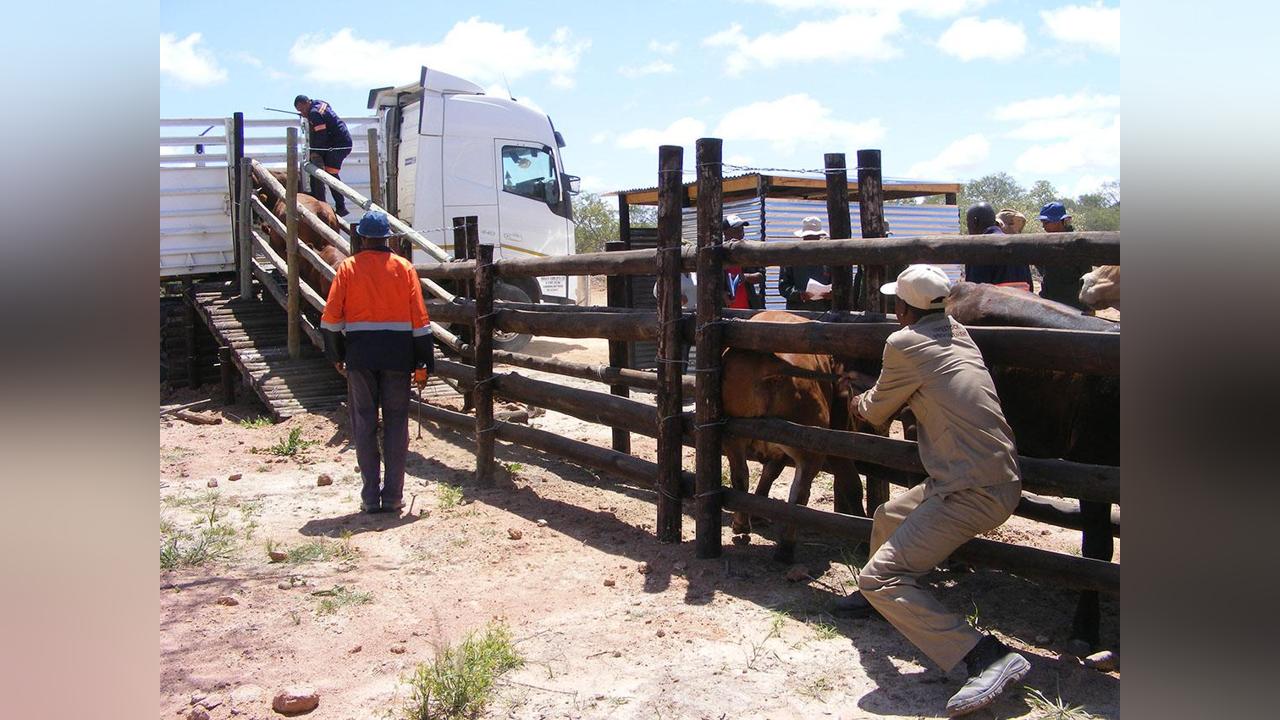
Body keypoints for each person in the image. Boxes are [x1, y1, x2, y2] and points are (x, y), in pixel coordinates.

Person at [832, 264, 1029, 716]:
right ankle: (881, 606)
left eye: (894, 303)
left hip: (969, 489)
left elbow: (876, 412)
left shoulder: (902, 342)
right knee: (888, 515)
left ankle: (984, 656)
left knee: (879, 576)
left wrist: (855, 396)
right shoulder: (958, 332)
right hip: (990, 475)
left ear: (902, 308)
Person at [320, 211, 435, 514]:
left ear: (360, 238)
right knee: (397, 423)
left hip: (360, 358)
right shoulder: (404, 268)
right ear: (388, 239)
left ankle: (371, 496)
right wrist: (424, 362)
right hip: (398, 358)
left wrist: (337, 355)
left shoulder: (347, 269)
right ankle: (394, 496)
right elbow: (421, 322)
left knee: (364, 424)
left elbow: (330, 320)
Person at [294, 94, 353, 217]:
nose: (302, 113)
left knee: (331, 174)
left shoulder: (314, 114)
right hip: (340, 142)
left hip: (338, 145)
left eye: (302, 109)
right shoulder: (319, 104)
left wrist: (316, 152)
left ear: (306, 103)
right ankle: (338, 205)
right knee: (329, 172)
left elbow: (321, 135)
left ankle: (341, 207)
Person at [1035, 202, 1092, 311]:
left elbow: (1085, 276)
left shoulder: (1078, 243)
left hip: (1074, 306)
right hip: (1050, 304)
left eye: (1046, 222)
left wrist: (1087, 306)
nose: (1043, 226)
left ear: (1060, 221)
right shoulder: (1045, 243)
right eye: (1043, 222)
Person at [963, 203, 1032, 291]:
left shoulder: (978, 248)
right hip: (1024, 303)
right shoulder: (1019, 246)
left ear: (975, 221)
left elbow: (974, 292)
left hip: (994, 303)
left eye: (968, 223)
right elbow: (1029, 287)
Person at [778, 216, 832, 311]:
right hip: (798, 311)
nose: (812, 239)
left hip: (824, 311)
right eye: (809, 236)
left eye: (815, 236)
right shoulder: (791, 256)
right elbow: (783, 287)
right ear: (803, 237)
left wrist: (832, 294)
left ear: (819, 236)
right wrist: (799, 295)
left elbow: (838, 283)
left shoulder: (828, 257)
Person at [722, 214, 766, 309]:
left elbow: (761, 276)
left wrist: (745, 277)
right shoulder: (717, 254)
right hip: (724, 310)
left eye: (741, 229)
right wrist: (721, 294)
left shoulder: (749, 250)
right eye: (736, 230)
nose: (741, 233)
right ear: (726, 232)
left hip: (749, 308)